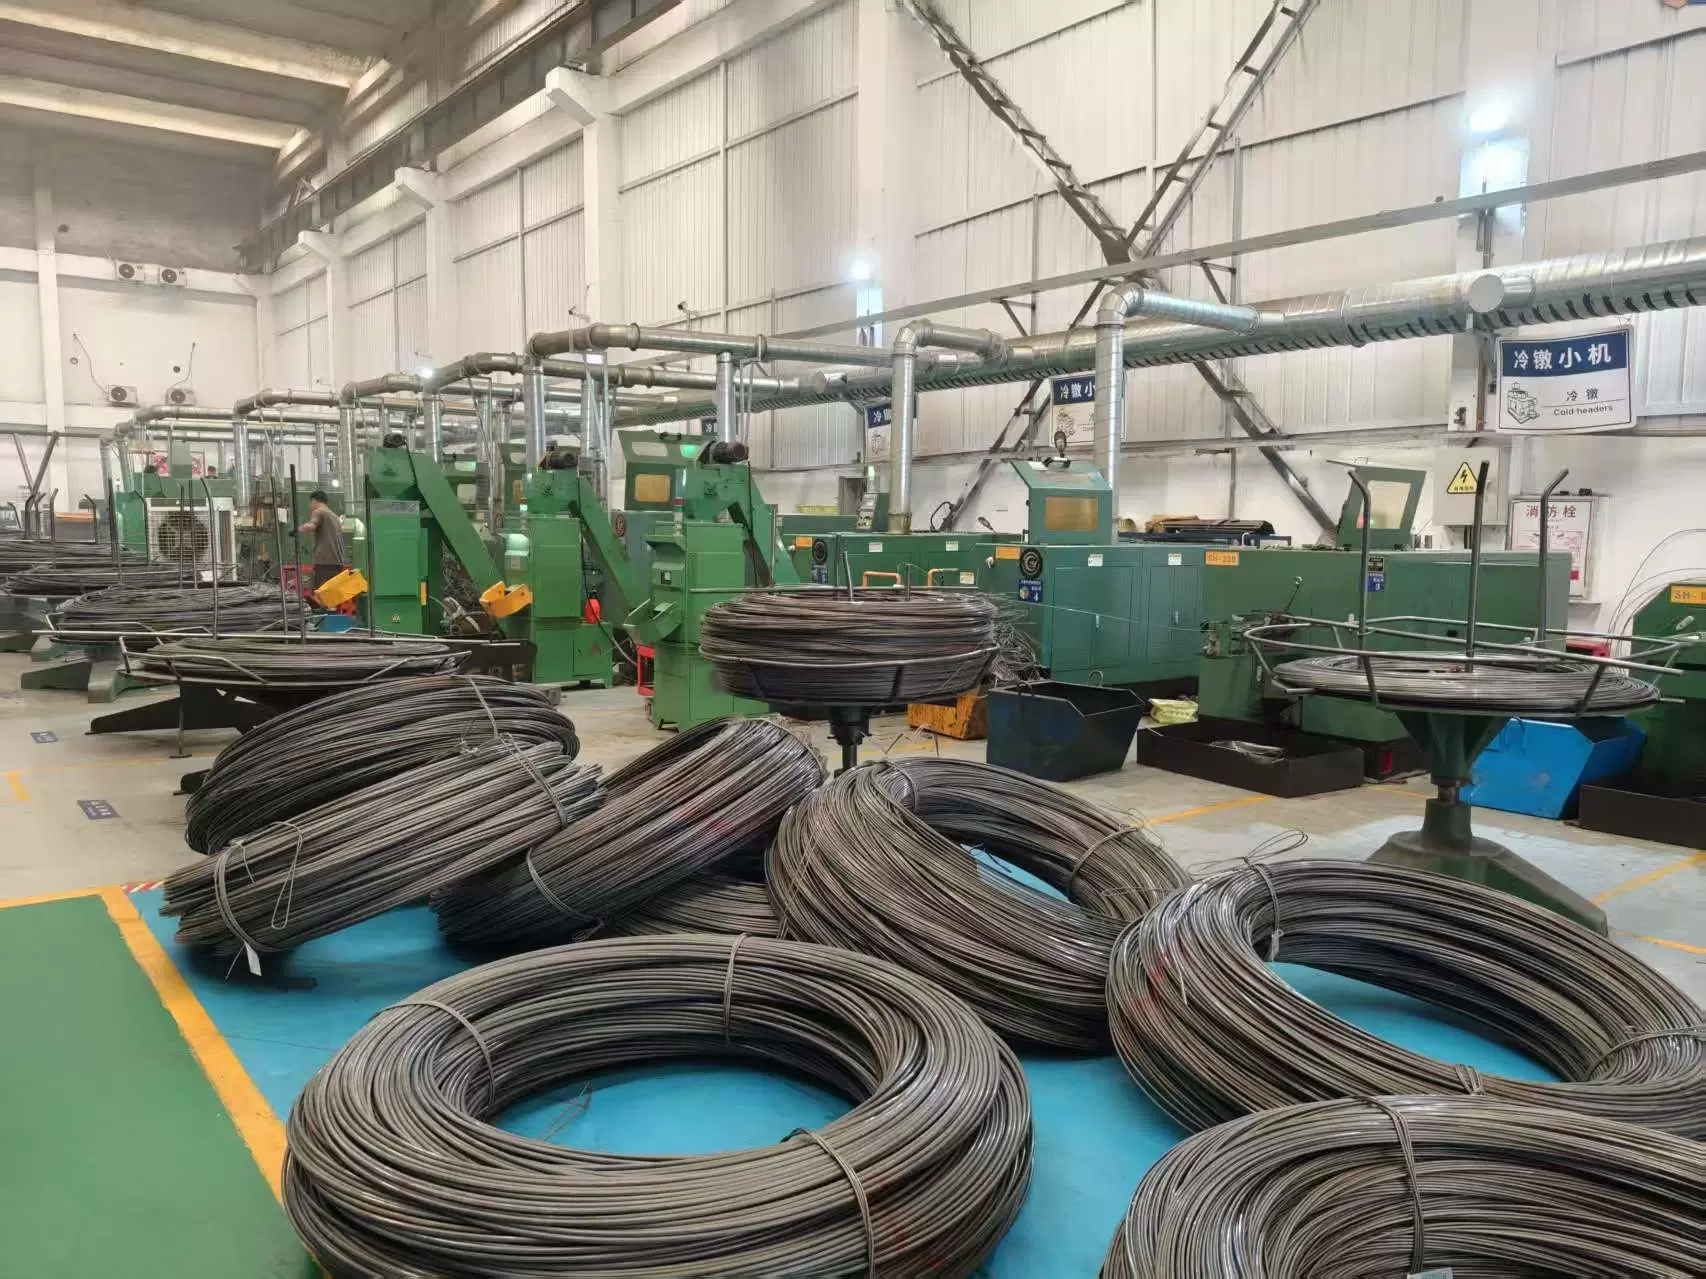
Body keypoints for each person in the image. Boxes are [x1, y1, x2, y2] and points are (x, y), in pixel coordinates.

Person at [298, 491, 347, 592]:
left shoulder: (319, 511)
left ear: (314, 500)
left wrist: (297, 529)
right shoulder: (334, 516)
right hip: (338, 563)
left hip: (324, 562)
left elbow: (312, 525)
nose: (309, 506)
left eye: (310, 503)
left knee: (319, 594)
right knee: (332, 594)